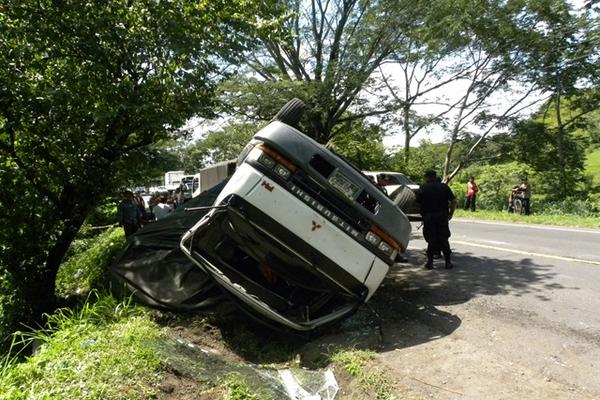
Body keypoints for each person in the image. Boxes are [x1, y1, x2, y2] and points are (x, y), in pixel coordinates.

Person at [416, 170, 457, 269]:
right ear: (435, 176)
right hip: (442, 216)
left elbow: (417, 203)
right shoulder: (444, 187)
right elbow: (453, 201)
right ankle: (448, 262)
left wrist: (422, 214)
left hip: (429, 217)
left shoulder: (423, 188)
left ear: (427, 177)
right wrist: (451, 213)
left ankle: (430, 262)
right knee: (444, 238)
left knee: (431, 239)